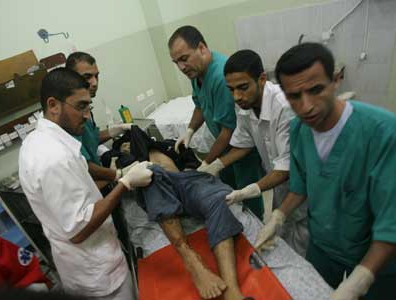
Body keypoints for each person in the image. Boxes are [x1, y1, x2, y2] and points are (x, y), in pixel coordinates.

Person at [254, 42, 396, 299]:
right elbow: (301, 185)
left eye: (316, 90)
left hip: (375, 252)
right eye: (294, 96)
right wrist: (278, 217)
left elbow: (391, 224)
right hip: (323, 244)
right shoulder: (299, 130)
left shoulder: (383, 133)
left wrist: (357, 283)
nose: (306, 106)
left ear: (336, 80)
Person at [18, 68, 153, 299]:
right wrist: (125, 183)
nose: (87, 115)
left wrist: (116, 175)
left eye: (88, 106)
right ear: (53, 105)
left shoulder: (42, 141)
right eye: (80, 106)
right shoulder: (53, 158)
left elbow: (80, 175)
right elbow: (79, 230)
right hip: (98, 275)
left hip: (82, 264)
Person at [200, 49, 308, 256]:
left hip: (303, 188)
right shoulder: (244, 105)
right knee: (283, 236)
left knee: (304, 242)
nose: (236, 96)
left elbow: (287, 166)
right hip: (279, 184)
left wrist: (248, 190)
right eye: (230, 89)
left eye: (242, 87)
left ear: (262, 79)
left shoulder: (284, 108)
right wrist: (215, 165)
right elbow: (244, 142)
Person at [169, 26, 264, 218]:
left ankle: (255, 229)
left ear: (202, 48)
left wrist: (206, 163)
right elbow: (201, 105)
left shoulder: (221, 76)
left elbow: (228, 130)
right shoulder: (196, 73)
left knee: (247, 199)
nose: (181, 67)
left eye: (184, 58)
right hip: (223, 148)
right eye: (176, 62)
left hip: (240, 149)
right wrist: (190, 130)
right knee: (228, 193)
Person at [137, 148, 245, 300]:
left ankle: (232, 291)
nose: (126, 147)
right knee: (151, 172)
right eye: (123, 146)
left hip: (189, 178)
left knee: (216, 201)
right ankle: (193, 262)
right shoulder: (126, 158)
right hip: (156, 184)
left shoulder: (170, 146)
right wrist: (120, 173)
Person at [65, 52, 135, 187]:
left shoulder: (85, 109)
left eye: (96, 76)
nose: (95, 83)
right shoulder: (69, 117)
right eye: (87, 77)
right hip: (91, 187)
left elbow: (92, 138)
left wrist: (116, 130)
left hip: (101, 180)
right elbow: (83, 164)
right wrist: (118, 174)